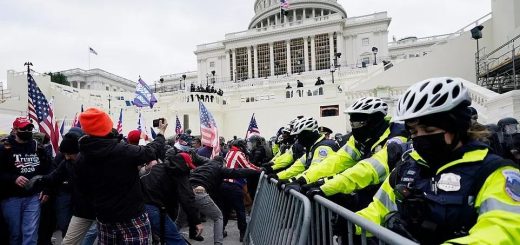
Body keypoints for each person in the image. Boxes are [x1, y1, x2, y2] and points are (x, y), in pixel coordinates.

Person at [356, 77, 520, 244]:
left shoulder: (495, 173)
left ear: (456, 127)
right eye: (413, 131)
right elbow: (379, 208)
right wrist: (354, 224)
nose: (420, 137)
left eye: (429, 129)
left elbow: (501, 232)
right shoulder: (408, 167)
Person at [75, 108, 167, 244]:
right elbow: (151, 151)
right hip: (132, 217)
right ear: (107, 126)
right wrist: (160, 133)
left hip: (104, 218)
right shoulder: (122, 150)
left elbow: (83, 190)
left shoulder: (81, 158)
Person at [180, 157, 260, 245]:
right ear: (222, 163)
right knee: (218, 217)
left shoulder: (201, 167)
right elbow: (238, 172)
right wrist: (257, 171)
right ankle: (218, 243)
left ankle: (169, 238)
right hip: (198, 192)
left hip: (185, 192)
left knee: (179, 220)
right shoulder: (219, 168)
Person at [0, 117, 52, 245]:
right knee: (15, 233)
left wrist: (46, 189)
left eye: (30, 128)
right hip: (11, 198)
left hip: (33, 197)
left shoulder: (37, 147)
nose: (28, 131)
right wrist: (13, 178)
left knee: (30, 232)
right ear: (15, 130)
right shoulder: (5, 148)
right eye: (24, 128)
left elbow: (49, 170)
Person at [140, 149, 202, 245]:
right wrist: (196, 222)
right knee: (176, 240)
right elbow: (187, 199)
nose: (189, 170)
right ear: (184, 164)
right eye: (189, 167)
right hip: (153, 208)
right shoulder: (180, 172)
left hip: (138, 206)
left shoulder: (159, 167)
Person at [274, 117, 339, 185]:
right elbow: (297, 167)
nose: (298, 140)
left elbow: (314, 171)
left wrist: (293, 180)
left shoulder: (323, 148)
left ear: (307, 134)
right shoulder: (312, 148)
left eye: (299, 136)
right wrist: (278, 176)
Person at [221, 139, 261, 241]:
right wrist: (260, 170)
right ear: (241, 146)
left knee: (225, 210)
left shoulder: (229, 153)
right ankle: (242, 234)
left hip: (223, 184)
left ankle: (221, 231)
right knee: (240, 210)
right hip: (234, 185)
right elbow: (247, 166)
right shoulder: (238, 153)